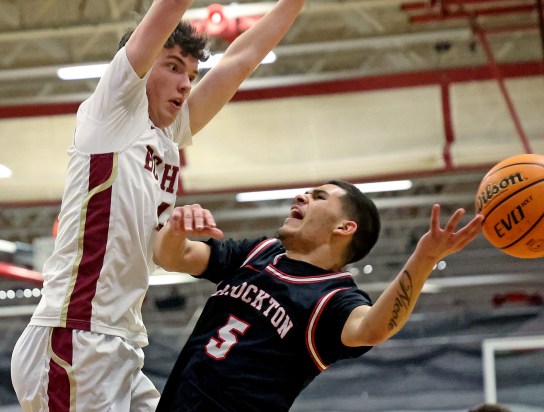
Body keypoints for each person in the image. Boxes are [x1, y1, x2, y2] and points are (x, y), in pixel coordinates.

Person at [10, 0, 305, 410]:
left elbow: (240, 60)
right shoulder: (112, 112)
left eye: (192, 74)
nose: (186, 83)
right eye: (172, 66)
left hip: (119, 340)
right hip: (75, 335)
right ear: (142, 66)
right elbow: (167, 11)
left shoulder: (168, 134)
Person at [153, 180, 483, 411]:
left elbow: (372, 328)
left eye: (319, 196)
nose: (302, 197)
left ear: (344, 227)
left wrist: (423, 258)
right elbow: (173, 257)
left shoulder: (334, 298)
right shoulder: (259, 252)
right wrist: (176, 230)